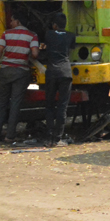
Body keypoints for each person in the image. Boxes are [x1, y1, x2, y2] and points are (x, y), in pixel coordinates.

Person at [0, 9, 39, 144]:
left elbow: (0, 51)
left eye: (12, 20)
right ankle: (10, 136)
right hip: (21, 72)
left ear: (18, 21)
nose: (10, 23)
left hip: (5, 71)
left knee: (2, 103)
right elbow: (34, 54)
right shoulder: (32, 35)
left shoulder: (6, 34)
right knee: (15, 103)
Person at [42, 12, 76, 146]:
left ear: (54, 25)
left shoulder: (49, 34)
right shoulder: (70, 36)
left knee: (49, 104)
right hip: (66, 73)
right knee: (62, 106)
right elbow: (70, 50)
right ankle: (58, 138)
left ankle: (49, 135)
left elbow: (45, 47)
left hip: (51, 73)